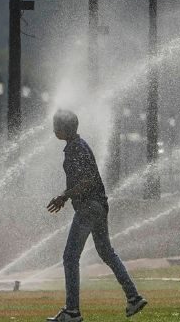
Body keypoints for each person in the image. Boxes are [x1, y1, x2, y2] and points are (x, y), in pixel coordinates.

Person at [46, 109, 147, 322]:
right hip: (98, 207)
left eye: (56, 125)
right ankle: (133, 297)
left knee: (70, 257)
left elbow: (88, 180)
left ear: (65, 128)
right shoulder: (77, 146)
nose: (54, 128)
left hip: (88, 208)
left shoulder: (76, 149)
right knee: (106, 252)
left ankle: (72, 311)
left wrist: (64, 196)